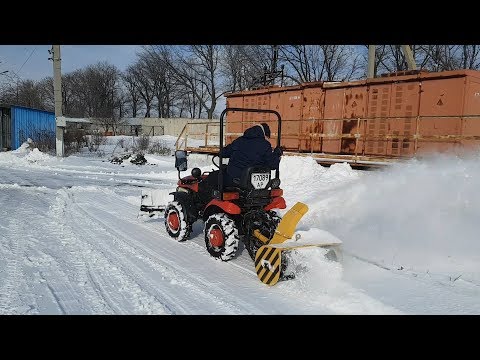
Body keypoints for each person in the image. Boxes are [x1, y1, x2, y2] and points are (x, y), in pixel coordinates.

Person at [220, 122, 283, 187]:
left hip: (236, 179)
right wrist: (276, 154)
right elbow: (272, 165)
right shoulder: (266, 145)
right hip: (258, 183)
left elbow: (224, 152)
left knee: (213, 177)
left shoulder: (239, 141)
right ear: (264, 135)